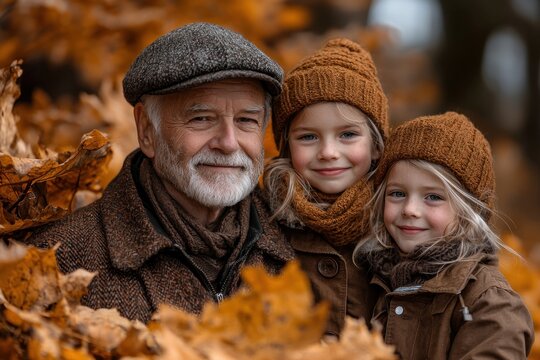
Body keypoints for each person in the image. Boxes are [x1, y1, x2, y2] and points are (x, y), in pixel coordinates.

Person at [26, 22, 295, 323]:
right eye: (202, 118)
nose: (229, 143)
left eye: (246, 120)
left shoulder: (299, 243)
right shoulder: (58, 262)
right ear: (146, 130)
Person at [353, 112, 534, 359]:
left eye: (433, 197)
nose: (410, 210)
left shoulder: (489, 303)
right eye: (397, 194)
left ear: (468, 211)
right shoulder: (369, 274)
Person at [263, 38, 389, 337]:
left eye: (347, 135)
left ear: (374, 146)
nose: (328, 152)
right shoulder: (263, 216)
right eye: (308, 137)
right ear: (286, 147)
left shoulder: (398, 221)